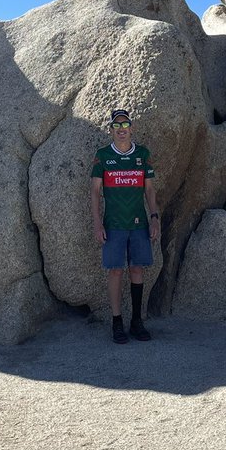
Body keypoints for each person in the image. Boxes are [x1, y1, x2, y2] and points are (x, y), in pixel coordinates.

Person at [90, 108, 160, 344]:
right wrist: (97, 223)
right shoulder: (102, 156)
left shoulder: (142, 154)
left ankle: (137, 321)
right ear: (111, 130)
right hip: (113, 224)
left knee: (137, 269)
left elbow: (149, 189)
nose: (121, 130)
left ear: (132, 128)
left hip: (139, 223)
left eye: (125, 125)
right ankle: (117, 322)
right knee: (116, 271)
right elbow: (95, 191)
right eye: (117, 126)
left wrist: (154, 217)